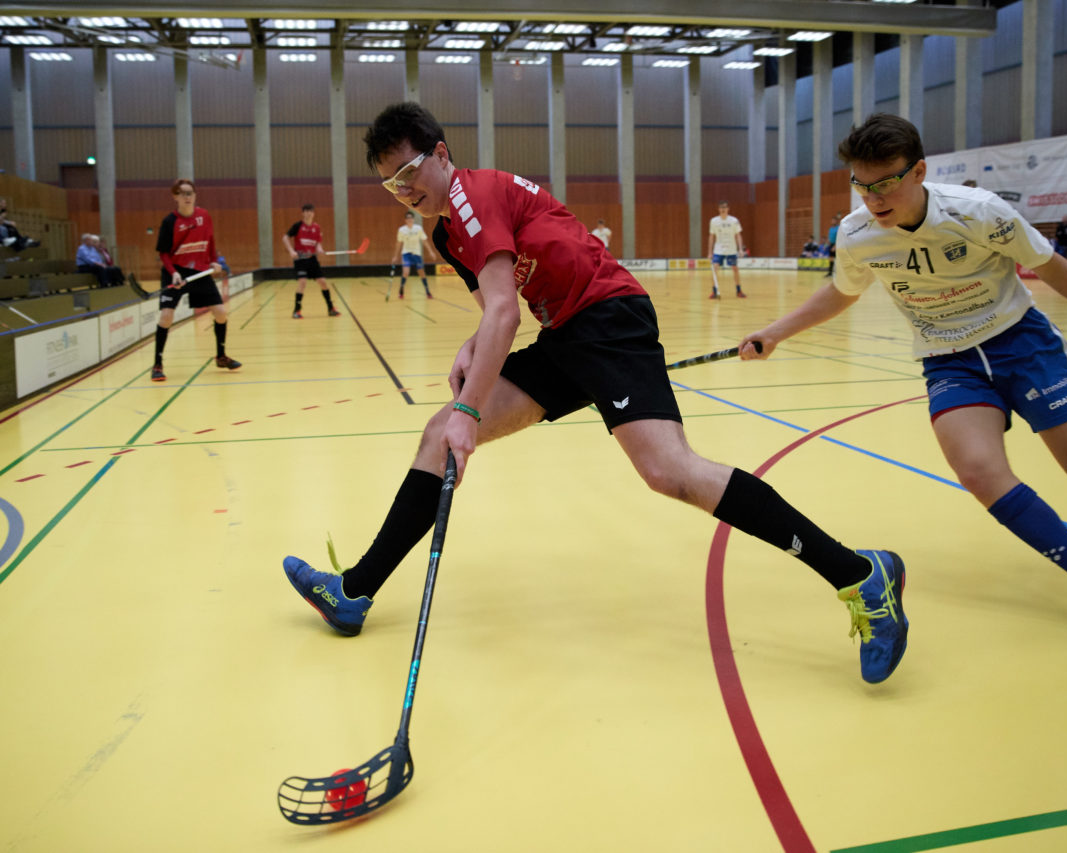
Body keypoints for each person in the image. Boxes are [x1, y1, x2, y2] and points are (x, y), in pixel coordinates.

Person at [280, 101, 909, 685]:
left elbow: (505, 315)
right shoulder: (447, 231)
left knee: (669, 471)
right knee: (435, 434)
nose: (405, 190)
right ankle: (355, 592)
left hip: (608, 319)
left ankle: (860, 576)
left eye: (411, 171)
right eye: (392, 183)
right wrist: (472, 351)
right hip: (566, 333)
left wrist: (471, 409)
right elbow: (493, 311)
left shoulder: (472, 198)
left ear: (441, 155)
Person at [738, 113, 1067, 654]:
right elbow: (843, 292)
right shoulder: (856, 234)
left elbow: (1054, 269)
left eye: (887, 181)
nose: (874, 197)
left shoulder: (979, 212)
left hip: (1023, 345)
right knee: (980, 472)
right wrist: (776, 333)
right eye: (862, 185)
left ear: (918, 171)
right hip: (949, 360)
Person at [151, 179, 242, 382]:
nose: (187, 196)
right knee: (166, 317)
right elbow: (164, 254)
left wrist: (214, 261)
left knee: (220, 313)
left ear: (195, 195)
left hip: (199, 271)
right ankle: (157, 364)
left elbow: (210, 240)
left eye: (190, 193)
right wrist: (173, 273)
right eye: (182, 193)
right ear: (175, 196)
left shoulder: (204, 215)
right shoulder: (169, 222)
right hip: (175, 272)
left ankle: (221, 356)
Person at [283, 203, 339, 318]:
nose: (308, 213)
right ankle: (296, 311)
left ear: (313, 213)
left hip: (312, 259)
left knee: (323, 282)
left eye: (310, 211)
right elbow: (285, 237)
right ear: (303, 213)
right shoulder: (298, 226)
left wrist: (320, 249)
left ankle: (331, 308)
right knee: (302, 282)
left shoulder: (316, 227)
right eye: (306, 211)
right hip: (300, 259)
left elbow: (318, 243)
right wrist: (291, 251)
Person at [708, 201, 746, 298]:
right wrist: (710, 252)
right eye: (721, 207)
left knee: (735, 269)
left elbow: (738, 235)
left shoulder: (734, 221)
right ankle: (714, 291)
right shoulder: (714, 221)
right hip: (718, 249)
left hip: (731, 249)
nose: (723, 209)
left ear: (728, 209)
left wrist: (740, 249)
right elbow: (711, 236)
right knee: (715, 268)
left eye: (725, 207)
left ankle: (738, 290)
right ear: (718, 209)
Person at [392, 210, 432, 299]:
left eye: (411, 218)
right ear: (405, 220)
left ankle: (427, 291)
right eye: (408, 218)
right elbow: (398, 243)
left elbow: (424, 240)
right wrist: (395, 256)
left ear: (413, 219)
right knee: (406, 272)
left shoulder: (418, 228)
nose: (409, 220)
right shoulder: (402, 230)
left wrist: (430, 251)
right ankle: (401, 290)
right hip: (406, 253)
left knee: (421, 273)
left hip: (417, 253)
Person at [824, 214, 841, 278]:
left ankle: (840, 274)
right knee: (831, 259)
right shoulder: (830, 229)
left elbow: (839, 237)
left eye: (834, 220)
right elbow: (829, 238)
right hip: (831, 245)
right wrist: (826, 245)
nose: (832, 221)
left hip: (837, 245)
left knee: (838, 260)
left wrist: (835, 246)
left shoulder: (838, 228)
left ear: (836, 221)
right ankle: (830, 273)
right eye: (832, 220)